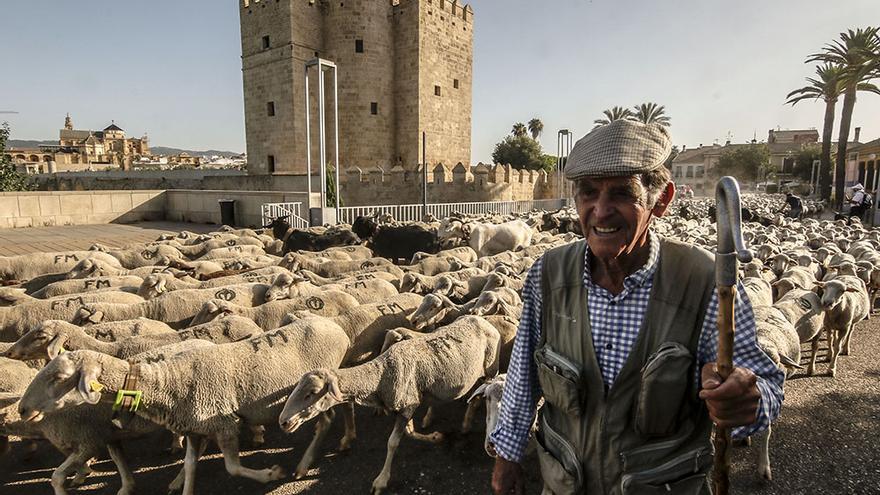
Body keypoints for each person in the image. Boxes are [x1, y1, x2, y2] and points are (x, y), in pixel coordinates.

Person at [488, 120, 784, 495]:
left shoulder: (706, 284)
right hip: (566, 483)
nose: (601, 210)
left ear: (661, 199)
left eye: (621, 193)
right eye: (588, 193)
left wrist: (745, 402)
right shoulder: (548, 275)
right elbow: (522, 377)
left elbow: (766, 385)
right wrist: (507, 456)